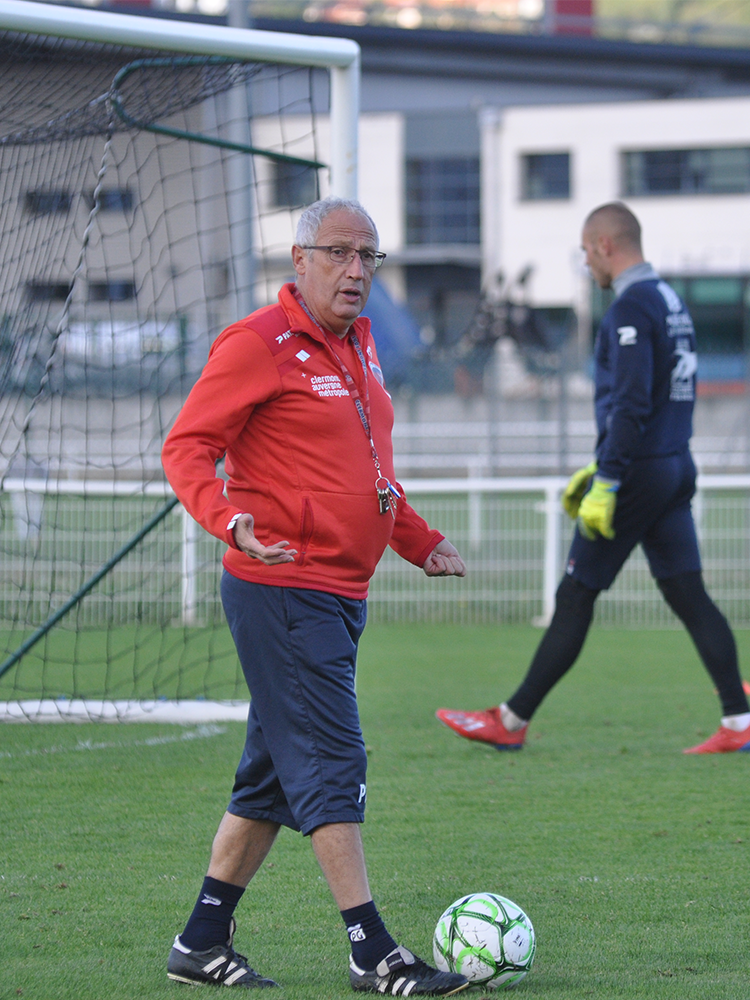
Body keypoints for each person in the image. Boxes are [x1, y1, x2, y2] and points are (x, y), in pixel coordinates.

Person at [161, 197, 470, 994]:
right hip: (282, 587)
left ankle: (200, 941)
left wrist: (419, 540)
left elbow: (369, 478)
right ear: (299, 261)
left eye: (370, 256)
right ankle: (374, 951)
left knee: (270, 778)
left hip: (339, 592)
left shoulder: (360, 345)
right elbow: (187, 446)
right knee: (335, 757)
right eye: (339, 252)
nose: (357, 270)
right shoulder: (257, 345)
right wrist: (229, 521)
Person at [436, 202, 750, 756]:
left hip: (636, 472)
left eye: (587, 251)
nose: (587, 263)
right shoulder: (670, 300)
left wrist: (608, 477)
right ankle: (739, 722)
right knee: (689, 594)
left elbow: (632, 401)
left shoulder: (631, 307)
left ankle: (510, 721)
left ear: (606, 246)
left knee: (576, 594)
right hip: (673, 463)